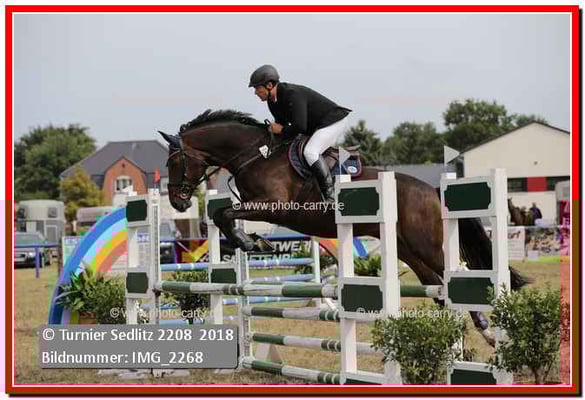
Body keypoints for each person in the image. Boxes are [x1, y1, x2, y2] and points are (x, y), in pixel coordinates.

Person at [248, 64, 351, 202]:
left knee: (310, 152)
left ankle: (330, 193)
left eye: (257, 88)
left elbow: (299, 126)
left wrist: (281, 129)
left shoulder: (292, 94)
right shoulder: (272, 102)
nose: (255, 92)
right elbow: (283, 128)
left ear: (269, 85)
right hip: (314, 126)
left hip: (333, 121)